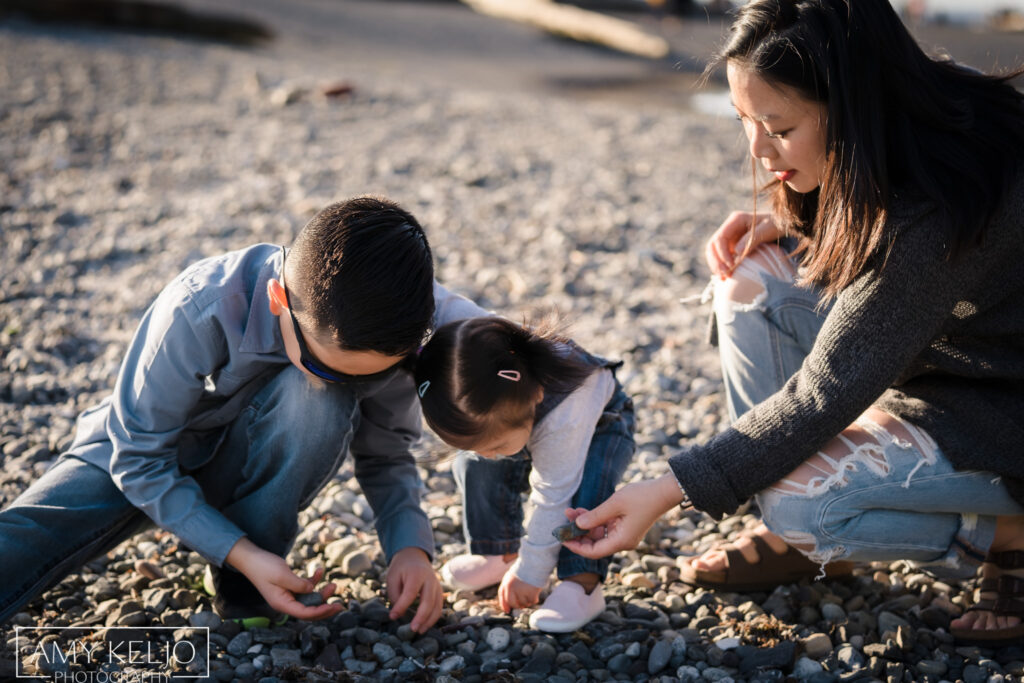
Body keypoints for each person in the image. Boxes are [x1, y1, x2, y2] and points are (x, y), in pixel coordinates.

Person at [563, 0, 1024, 646]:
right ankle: (808, 543)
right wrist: (796, 221)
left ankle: (1008, 531)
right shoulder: (912, 111)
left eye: (778, 127)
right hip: (938, 358)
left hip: (1000, 407)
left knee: (802, 500)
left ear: (853, 110)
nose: (757, 148)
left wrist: (666, 489)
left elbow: (825, 390)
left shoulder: (937, 209)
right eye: (745, 119)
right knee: (753, 279)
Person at [0, 197, 487, 631]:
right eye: (322, 362)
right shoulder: (199, 305)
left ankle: (243, 584)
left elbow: (386, 451)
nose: (344, 384)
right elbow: (138, 456)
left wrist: (410, 548)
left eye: (362, 378)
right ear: (279, 299)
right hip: (145, 455)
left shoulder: (400, 326)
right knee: (30, 533)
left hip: (248, 472)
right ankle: (245, 561)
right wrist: (238, 548)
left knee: (318, 399)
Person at [413, 317, 635, 632]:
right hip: (522, 421)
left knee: (587, 495)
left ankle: (582, 582)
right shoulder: (490, 382)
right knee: (474, 464)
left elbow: (552, 495)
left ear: (535, 397)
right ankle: (499, 552)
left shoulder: (565, 413)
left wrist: (532, 573)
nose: (486, 452)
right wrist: (488, 447)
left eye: (495, 444)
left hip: (603, 426)